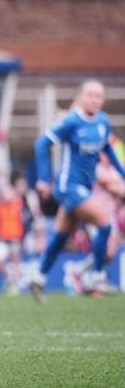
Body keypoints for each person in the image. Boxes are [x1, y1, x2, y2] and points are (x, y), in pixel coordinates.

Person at [29, 79, 125, 303]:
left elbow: (107, 148)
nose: (94, 99)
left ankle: (38, 275)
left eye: (99, 96)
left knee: (61, 237)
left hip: (84, 187)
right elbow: (41, 144)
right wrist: (43, 179)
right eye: (90, 95)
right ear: (81, 97)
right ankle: (96, 277)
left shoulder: (102, 121)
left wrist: (122, 172)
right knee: (105, 223)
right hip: (67, 187)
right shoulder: (71, 122)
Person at [69, 151, 124, 295]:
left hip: (111, 215)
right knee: (104, 249)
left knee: (110, 253)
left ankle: (86, 274)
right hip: (96, 214)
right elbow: (112, 187)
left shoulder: (113, 170)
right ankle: (90, 279)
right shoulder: (97, 168)